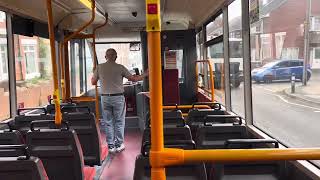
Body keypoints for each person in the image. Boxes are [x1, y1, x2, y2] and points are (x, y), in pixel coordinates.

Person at [91, 48, 148, 153]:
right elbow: (134, 79)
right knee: (119, 121)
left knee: (108, 122)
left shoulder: (99, 67)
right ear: (116, 57)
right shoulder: (120, 67)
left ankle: (111, 146)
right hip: (118, 97)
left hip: (104, 98)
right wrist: (146, 74)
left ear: (105, 57)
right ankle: (119, 144)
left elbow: (93, 82)